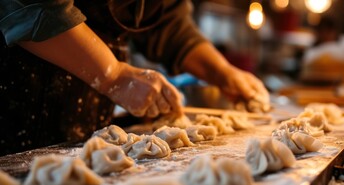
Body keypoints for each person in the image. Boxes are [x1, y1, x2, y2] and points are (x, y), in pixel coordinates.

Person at [0, 0, 270, 156]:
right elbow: (30, 5)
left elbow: (165, 17)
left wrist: (221, 72)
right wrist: (112, 75)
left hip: (84, 129)